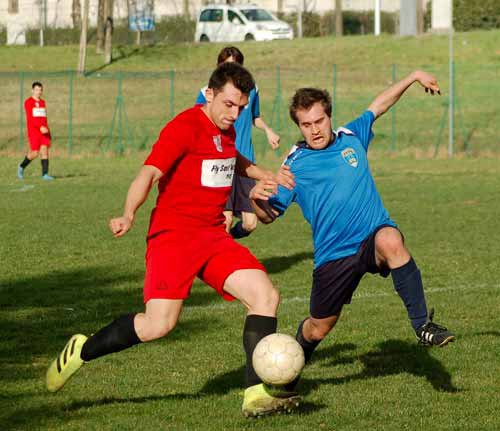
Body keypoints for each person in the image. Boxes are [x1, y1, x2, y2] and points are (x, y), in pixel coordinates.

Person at [45, 62, 299, 417]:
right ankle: (82, 350)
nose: (235, 114)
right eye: (228, 104)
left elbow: (233, 159)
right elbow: (149, 173)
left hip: (212, 236)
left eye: (241, 107)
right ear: (208, 94)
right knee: (158, 325)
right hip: (174, 237)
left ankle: (255, 393)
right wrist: (129, 212)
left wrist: (268, 173)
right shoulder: (184, 127)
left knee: (266, 295)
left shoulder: (225, 129)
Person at [250, 71, 456, 388]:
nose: (314, 130)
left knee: (391, 239)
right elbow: (268, 216)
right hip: (334, 256)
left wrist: (414, 76)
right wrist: (256, 199)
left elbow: (379, 105)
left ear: (329, 117)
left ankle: (422, 326)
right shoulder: (294, 166)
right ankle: (288, 370)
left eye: (319, 121)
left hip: (372, 239)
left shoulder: (351, 137)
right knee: (318, 328)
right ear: (299, 126)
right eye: (306, 124)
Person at [196, 46, 280, 239]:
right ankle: (222, 258)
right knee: (225, 220)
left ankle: (225, 244)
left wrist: (268, 131)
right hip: (223, 162)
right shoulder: (208, 92)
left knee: (250, 224)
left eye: (235, 66)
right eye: (226, 66)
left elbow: (254, 117)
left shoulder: (252, 90)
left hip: (246, 163)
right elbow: (201, 122)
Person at [17, 82, 54, 180]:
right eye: (37, 90)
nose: (39, 92)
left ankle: (45, 175)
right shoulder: (28, 102)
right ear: (32, 90)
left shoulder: (43, 102)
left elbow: (44, 118)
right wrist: (40, 127)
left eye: (40, 90)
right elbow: (31, 118)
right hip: (34, 131)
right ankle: (21, 167)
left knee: (45, 151)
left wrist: (46, 129)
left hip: (44, 131)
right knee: (34, 153)